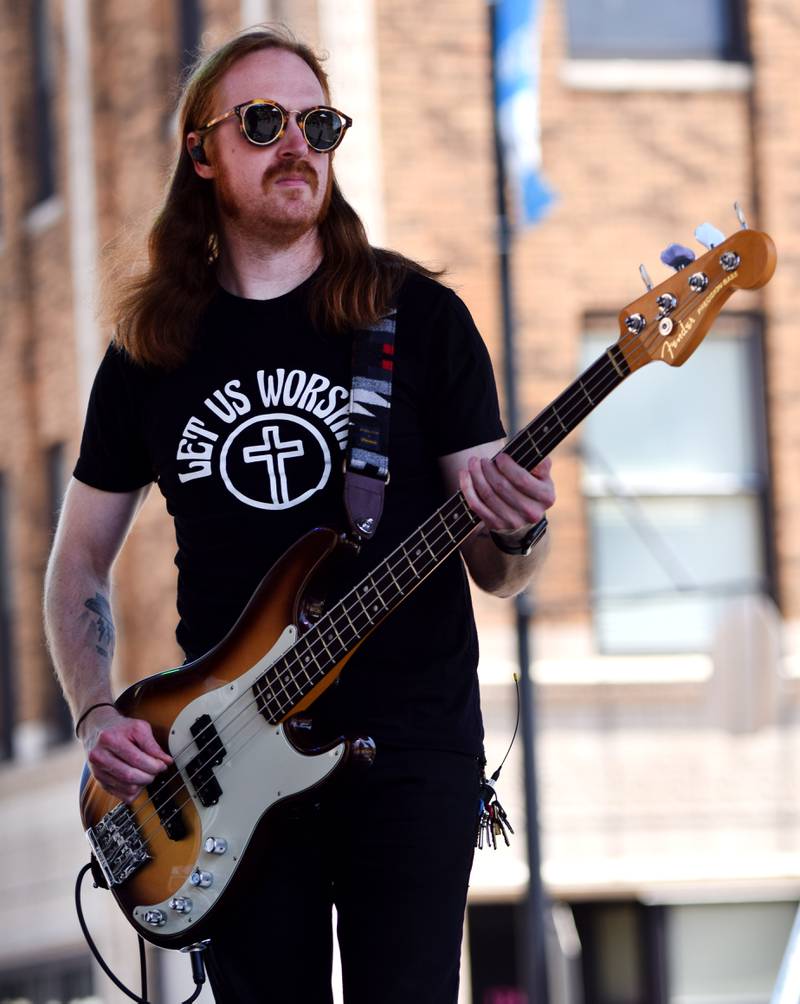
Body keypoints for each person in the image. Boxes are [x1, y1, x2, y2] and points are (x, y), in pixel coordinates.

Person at [44, 25, 555, 1004]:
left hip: (408, 750)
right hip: (222, 760)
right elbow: (78, 563)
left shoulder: (416, 316)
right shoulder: (151, 350)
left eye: (315, 123)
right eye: (263, 122)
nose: (297, 145)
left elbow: (497, 567)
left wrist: (519, 526)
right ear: (201, 153)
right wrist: (96, 708)